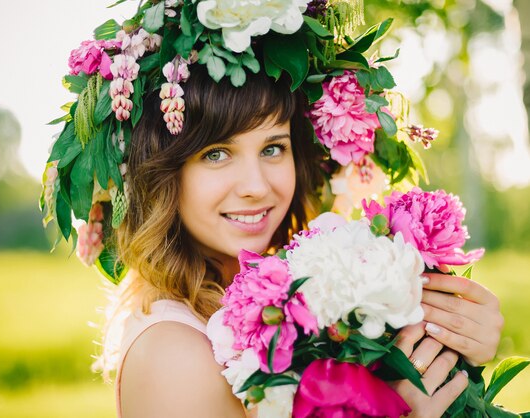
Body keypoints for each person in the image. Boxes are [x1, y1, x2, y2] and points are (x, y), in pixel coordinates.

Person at [106, 66, 504, 418]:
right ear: (163, 173)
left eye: (273, 148)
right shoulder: (174, 356)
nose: (256, 186)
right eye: (216, 154)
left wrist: (454, 341)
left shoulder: (300, 289)